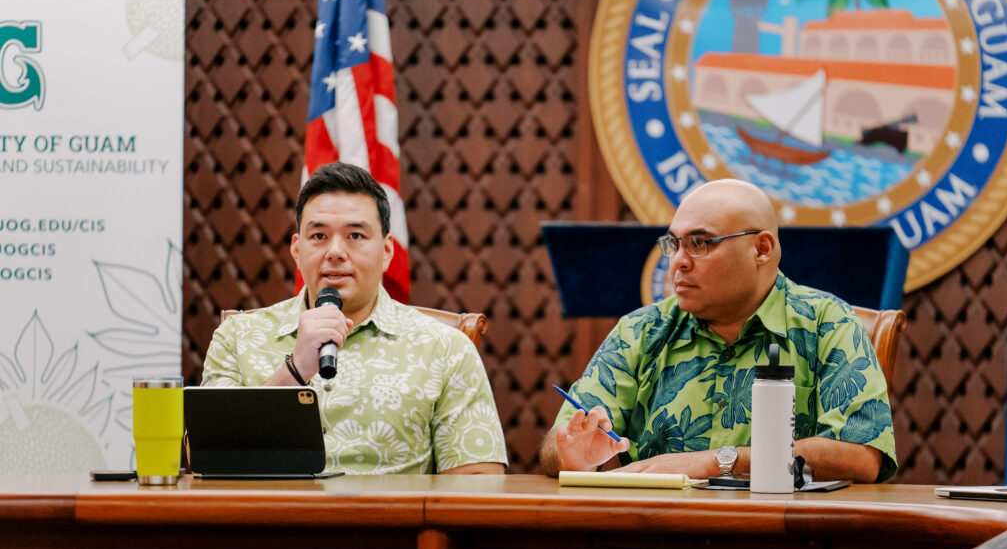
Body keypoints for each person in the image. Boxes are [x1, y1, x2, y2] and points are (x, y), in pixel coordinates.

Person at [539, 179, 897, 483]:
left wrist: (716, 461)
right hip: (656, 541)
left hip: (788, 544)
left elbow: (862, 455)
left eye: (700, 243)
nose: (678, 260)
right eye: (674, 243)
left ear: (761, 249)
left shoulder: (827, 323)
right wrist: (571, 455)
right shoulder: (641, 331)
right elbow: (558, 443)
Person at [203, 161, 507, 475]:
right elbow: (204, 456)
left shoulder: (446, 348)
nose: (335, 251)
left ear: (387, 251)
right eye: (319, 235)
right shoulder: (237, 337)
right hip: (267, 522)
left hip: (391, 523)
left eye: (355, 236)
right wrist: (294, 372)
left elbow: (478, 480)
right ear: (297, 250)